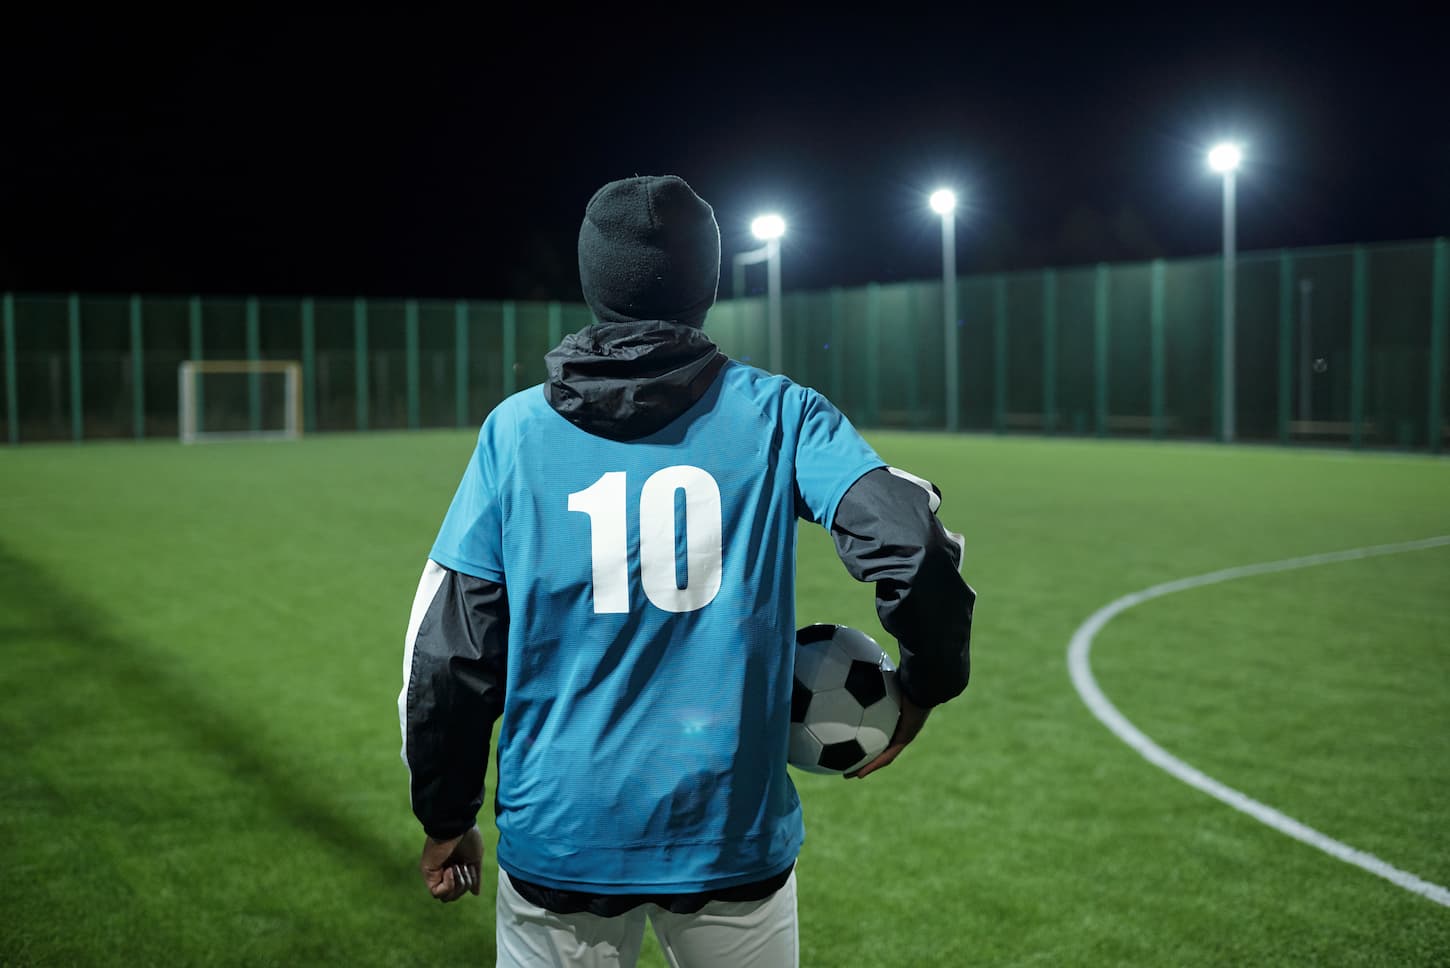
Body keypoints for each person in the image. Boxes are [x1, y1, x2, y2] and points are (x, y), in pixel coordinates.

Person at [399, 174, 974, 967]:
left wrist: (445, 814)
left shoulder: (514, 434)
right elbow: (913, 540)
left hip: (561, 842)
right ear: (709, 284)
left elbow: (448, 657)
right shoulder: (780, 413)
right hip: (730, 840)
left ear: (592, 282)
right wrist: (926, 684)